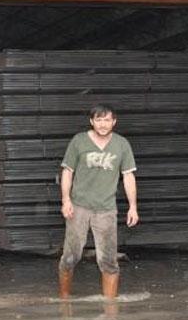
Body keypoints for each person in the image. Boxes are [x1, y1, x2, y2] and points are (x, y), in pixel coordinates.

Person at [58, 104, 138, 299]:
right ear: (92, 121)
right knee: (70, 257)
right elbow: (68, 172)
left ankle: (110, 312)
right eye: (99, 120)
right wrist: (66, 200)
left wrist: (133, 207)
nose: (103, 124)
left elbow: (128, 176)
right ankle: (64, 301)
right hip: (78, 206)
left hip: (106, 209)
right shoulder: (79, 141)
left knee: (109, 261)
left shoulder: (121, 144)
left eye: (107, 120)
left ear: (114, 122)